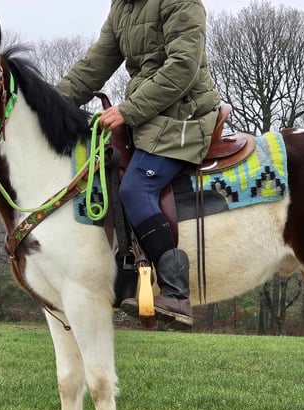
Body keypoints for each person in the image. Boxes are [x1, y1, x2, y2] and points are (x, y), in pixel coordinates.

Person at [57, 0, 221, 327]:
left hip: (185, 115)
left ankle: (176, 294)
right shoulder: (122, 8)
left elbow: (183, 67)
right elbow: (95, 64)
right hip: (149, 116)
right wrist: (47, 104)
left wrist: (128, 110)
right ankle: (123, 276)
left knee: (135, 189)